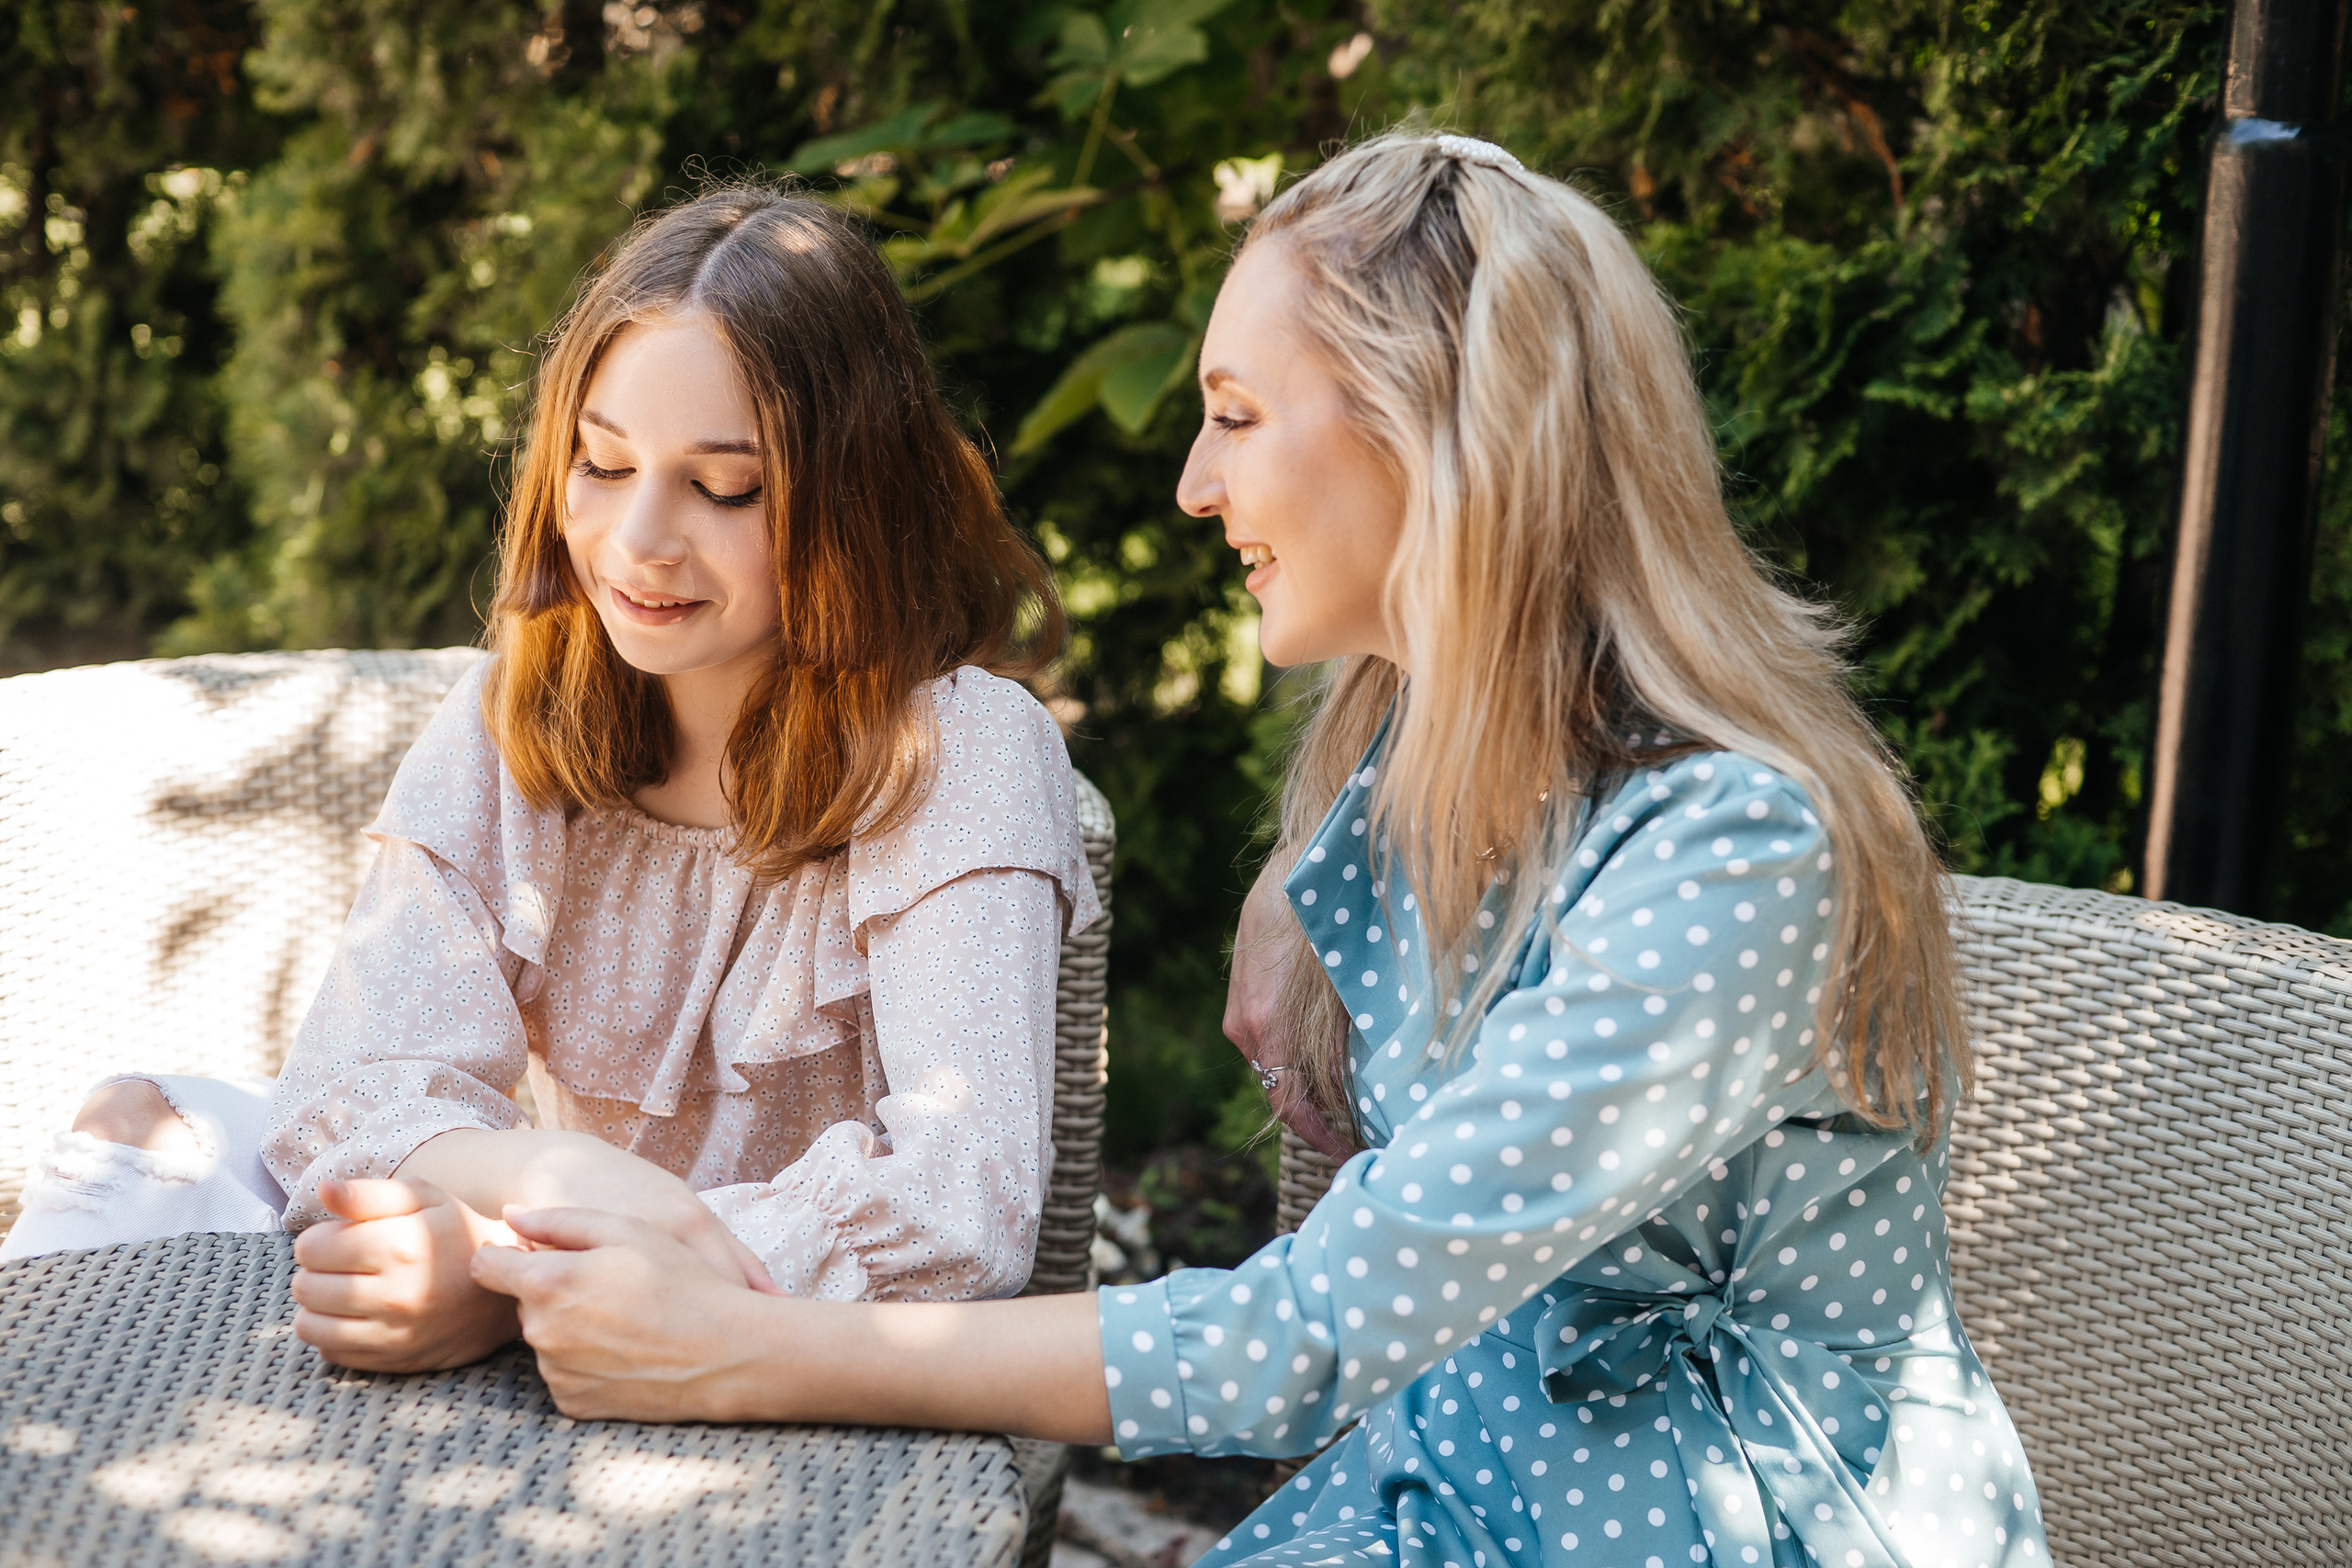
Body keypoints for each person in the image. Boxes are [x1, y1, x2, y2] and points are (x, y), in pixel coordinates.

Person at [465, 134, 2052, 1568]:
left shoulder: (1737, 858)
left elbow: (1310, 1331)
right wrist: (1301, 868)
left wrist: (739, 1350)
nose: (1194, 483)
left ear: (1438, 435)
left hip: (1732, 1524)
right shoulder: (1439, 776)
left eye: (1235, 416)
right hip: (1467, 1486)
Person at [0, 184, 1102, 1379]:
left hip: (764, 1336)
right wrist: (535, 1181)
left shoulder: (961, 749)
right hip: (517, 1243)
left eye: (724, 487)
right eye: (603, 461)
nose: (638, 539)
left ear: (852, 496)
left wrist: (506, 1276)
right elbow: (351, 1084)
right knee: (139, 1128)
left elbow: (961, 1212)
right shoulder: (516, 710)